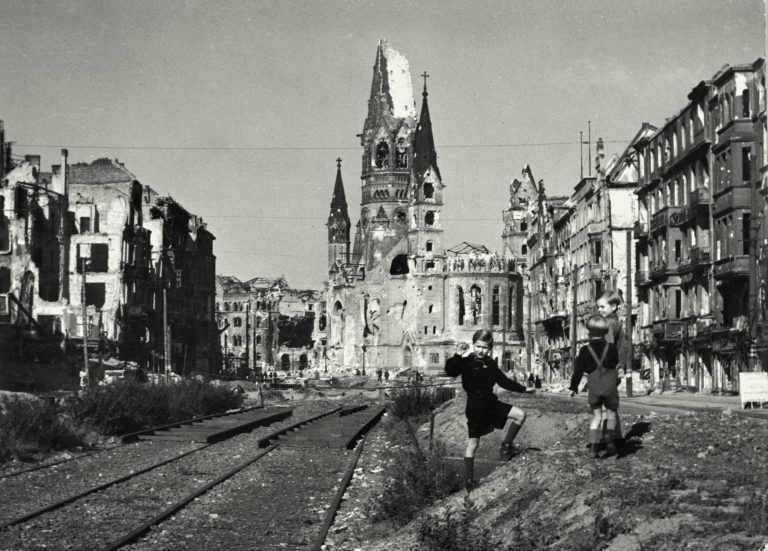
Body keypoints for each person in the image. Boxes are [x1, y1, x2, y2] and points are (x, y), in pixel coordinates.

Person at [445, 329, 534, 491]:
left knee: (521, 415)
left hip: (491, 404)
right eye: (478, 346)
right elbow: (450, 372)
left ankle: (506, 446)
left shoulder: (491, 364)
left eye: (484, 347)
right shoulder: (465, 362)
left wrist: (524, 389)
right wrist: (458, 355)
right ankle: (470, 481)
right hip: (475, 408)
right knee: (473, 444)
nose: (480, 350)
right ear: (473, 345)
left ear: (490, 348)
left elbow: (504, 382)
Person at [569, 314, 623, 458]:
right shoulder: (611, 348)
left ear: (588, 332)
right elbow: (614, 365)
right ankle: (609, 441)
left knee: (597, 417)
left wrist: (573, 387)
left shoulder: (584, 350)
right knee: (611, 415)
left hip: (594, 387)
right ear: (605, 332)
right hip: (610, 386)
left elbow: (578, 371)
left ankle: (593, 446)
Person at [597, 291, 629, 442]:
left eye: (602, 307)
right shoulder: (618, 324)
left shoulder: (608, 324)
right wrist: (620, 366)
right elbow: (623, 347)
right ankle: (617, 437)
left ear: (613, 306)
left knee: (605, 407)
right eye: (598, 307)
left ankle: (608, 439)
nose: (600, 310)